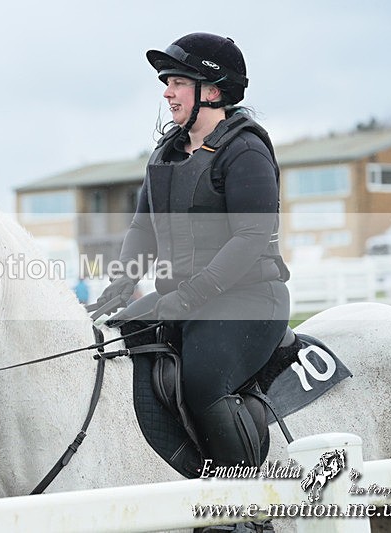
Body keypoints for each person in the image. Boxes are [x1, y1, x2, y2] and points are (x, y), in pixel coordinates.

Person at [97, 33, 290, 472]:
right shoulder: (165, 154)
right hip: (185, 299)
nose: (167, 92)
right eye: (167, 82)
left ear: (213, 90)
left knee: (201, 381)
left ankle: (244, 505)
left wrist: (186, 297)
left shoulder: (245, 150)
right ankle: (181, 475)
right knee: (122, 335)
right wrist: (122, 281)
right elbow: (142, 227)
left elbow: (249, 238)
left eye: (179, 82)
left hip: (249, 298)